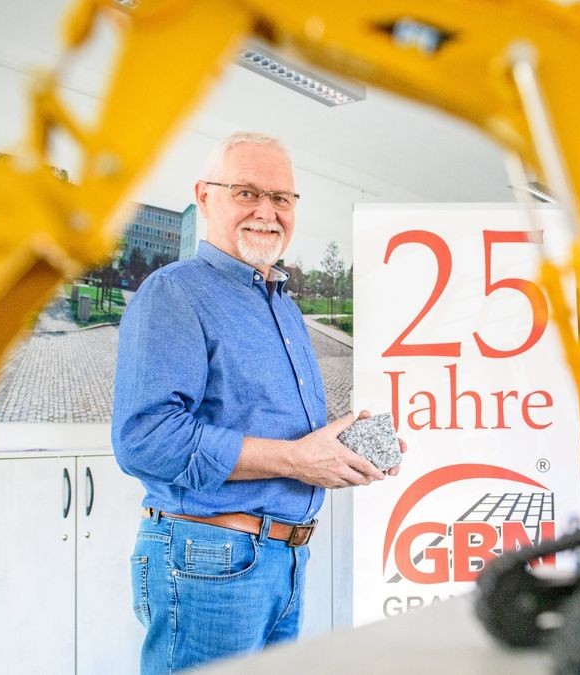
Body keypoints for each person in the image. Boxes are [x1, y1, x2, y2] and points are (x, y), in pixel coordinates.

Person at [112, 131, 403, 674]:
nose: (267, 212)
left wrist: (335, 450)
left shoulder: (281, 306)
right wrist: (296, 460)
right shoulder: (174, 292)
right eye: (246, 193)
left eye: (282, 198)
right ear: (204, 197)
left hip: (284, 558)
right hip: (210, 558)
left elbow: (278, 435)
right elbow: (144, 440)